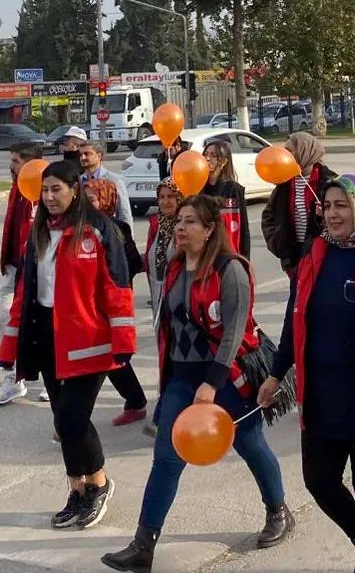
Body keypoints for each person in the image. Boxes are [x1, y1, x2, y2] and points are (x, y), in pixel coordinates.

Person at [101, 195, 292, 572]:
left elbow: (234, 331)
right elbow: (169, 329)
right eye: (179, 221)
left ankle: (278, 511)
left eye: (190, 221)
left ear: (209, 230)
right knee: (166, 458)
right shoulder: (174, 266)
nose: (181, 227)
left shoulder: (231, 269)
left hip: (227, 378)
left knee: (251, 445)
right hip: (181, 378)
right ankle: (143, 546)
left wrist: (212, 383)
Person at [260, 176, 355, 573]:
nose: (332, 214)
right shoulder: (313, 253)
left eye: (342, 205)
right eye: (327, 206)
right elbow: (294, 319)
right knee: (319, 480)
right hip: (322, 394)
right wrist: (276, 374)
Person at [0, 160, 135, 529]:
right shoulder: (40, 233)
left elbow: (117, 288)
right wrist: (9, 347)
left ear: (75, 190)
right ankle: (77, 489)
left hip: (88, 341)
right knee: (63, 421)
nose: (49, 196)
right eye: (45, 190)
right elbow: (25, 293)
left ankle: (99, 484)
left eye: (56, 189)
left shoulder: (99, 229)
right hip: (46, 338)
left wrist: (123, 341)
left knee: (72, 418)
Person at [83, 178, 150, 428]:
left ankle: (74, 418)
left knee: (106, 356)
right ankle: (135, 401)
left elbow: (131, 263)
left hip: (112, 302)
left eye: (92, 199)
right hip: (88, 303)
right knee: (108, 356)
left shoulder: (116, 228)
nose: (85, 204)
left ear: (106, 200)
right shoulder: (79, 227)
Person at [0, 141, 43, 405]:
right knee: (6, 320)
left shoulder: (44, 190)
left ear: (30, 163)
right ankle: (12, 378)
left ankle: (53, 378)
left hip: (35, 269)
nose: (11, 165)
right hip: (14, 266)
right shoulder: (18, 187)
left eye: (16, 160)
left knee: (40, 324)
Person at [261, 132, 337, 275]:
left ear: (305, 151)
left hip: (324, 257)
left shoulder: (329, 182)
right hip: (293, 260)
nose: (285, 155)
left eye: (290, 150)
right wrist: (277, 243)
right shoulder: (284, 182)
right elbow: (268, 216)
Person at [202, 139, 250, 259]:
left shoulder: (234, 189)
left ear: (223, 161)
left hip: (229, 254)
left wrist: (245, 259)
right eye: (205, 154)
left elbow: (243, 227)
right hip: (205, 255)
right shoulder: (200, 189)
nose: (207, 158)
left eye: (213, 155)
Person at [145, 179, 183, 310]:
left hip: (180, 296)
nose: (165, 201)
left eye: (170, 196)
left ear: (179, 198)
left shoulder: (185, 225)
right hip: (157, 294)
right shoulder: (156, 224)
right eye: (161, 197)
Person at [78, 140, 134, 228]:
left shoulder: (114, 180)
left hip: (107, 231)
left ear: (99, 156)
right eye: (80, 155)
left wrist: (127, 235)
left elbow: (124, 214)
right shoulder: (78, 181)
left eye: (87, 154)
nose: (82, 157)